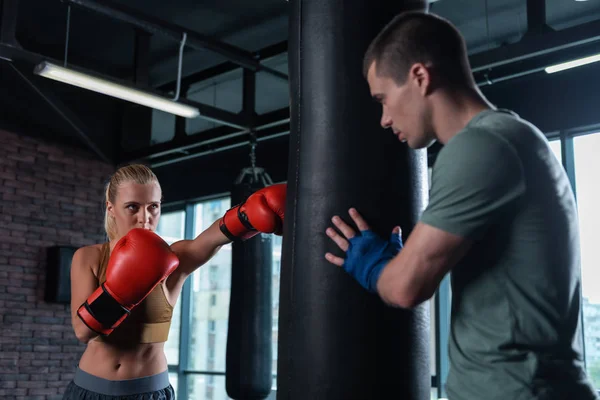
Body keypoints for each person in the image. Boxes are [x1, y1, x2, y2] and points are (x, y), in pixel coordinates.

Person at [324, 11, 599, 400]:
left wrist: (373, 265)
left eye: (383, 100)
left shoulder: (481, 146)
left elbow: (405, 288)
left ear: (420, 77)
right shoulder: (511, 138)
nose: (384, 119)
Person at [63, 164, 286, 399]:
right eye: (132, 207)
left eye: (153, 207)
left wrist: (246, 215)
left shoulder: (173, 259)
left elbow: (209, 240)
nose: (145, 218)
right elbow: (82, 331)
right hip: (90, 389)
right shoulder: (89, 257)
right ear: (111, 208)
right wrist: (119, 289)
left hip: (149, 391)